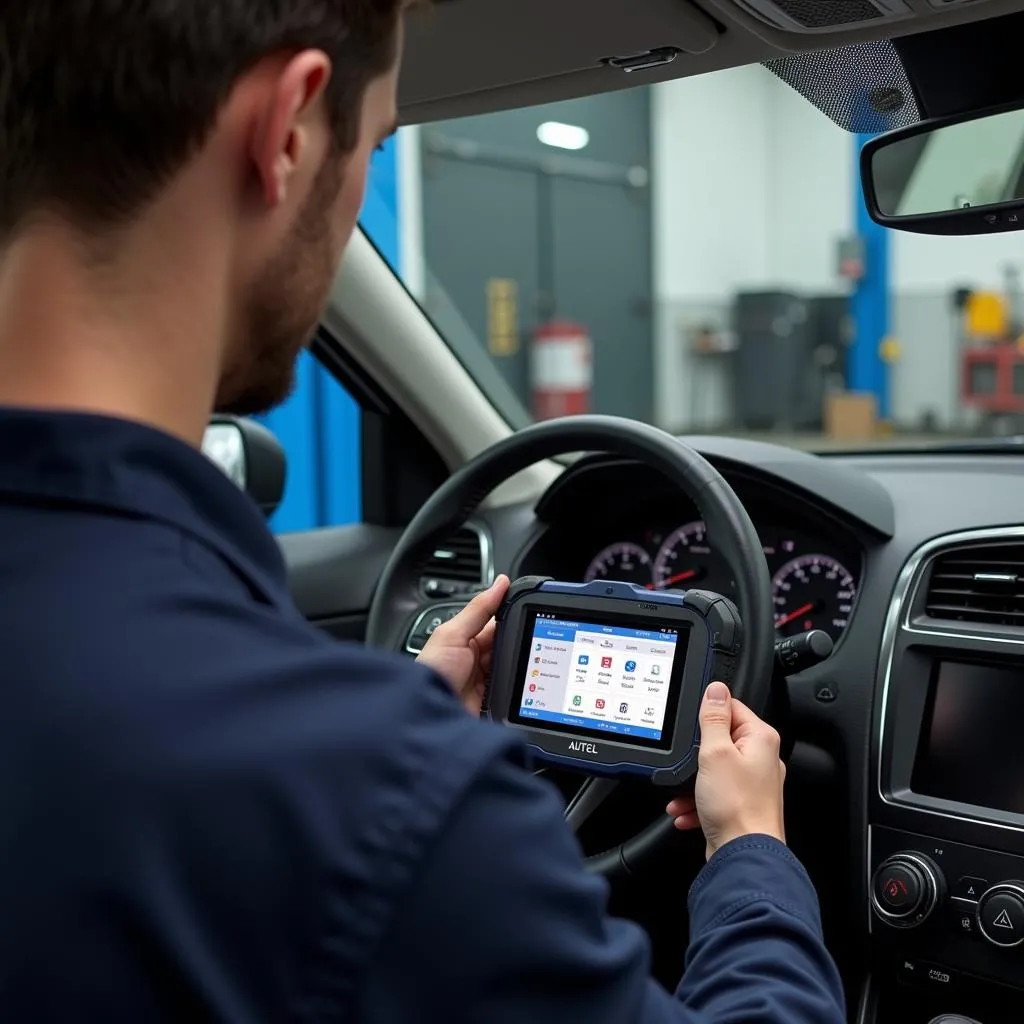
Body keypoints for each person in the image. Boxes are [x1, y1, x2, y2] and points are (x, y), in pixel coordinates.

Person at [0, 3, 846, 1022]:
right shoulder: (378, 798)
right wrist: (750, 847)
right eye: (382, 140)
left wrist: (389, 709)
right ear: (289, 130)